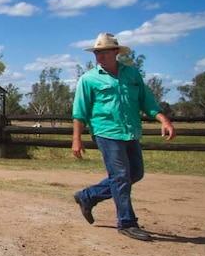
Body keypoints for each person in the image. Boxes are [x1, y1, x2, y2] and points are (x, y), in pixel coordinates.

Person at [71, 32, 175, 241]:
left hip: (130, 131)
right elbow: (80, 111)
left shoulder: (132, 75)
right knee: (120, 176)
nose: (99, 56)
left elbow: (147, 101)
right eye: (97, 52)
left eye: (104, 52)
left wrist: (164, 120)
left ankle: (87, 196)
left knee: (135, 173)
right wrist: (77, 139)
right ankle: (127, 222)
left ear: (116, 52)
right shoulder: (89, 79)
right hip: (106, 132)